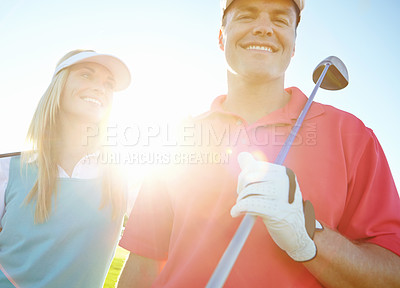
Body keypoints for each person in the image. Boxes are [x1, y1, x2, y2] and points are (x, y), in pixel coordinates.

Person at [117, 0, 400, 287]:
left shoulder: (351, 135)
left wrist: (309, 236)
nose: (263, 28)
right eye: (246, 16)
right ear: (220, 36)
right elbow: (143, 265)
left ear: (294, 45)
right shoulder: (180, 139)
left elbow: (392, 275)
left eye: (280, 20)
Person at [0, 49, 131, 288]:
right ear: (58, 87)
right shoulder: (7, 170)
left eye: (108, 84)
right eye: (86, 75)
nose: (100, 88)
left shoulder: (123, 179)